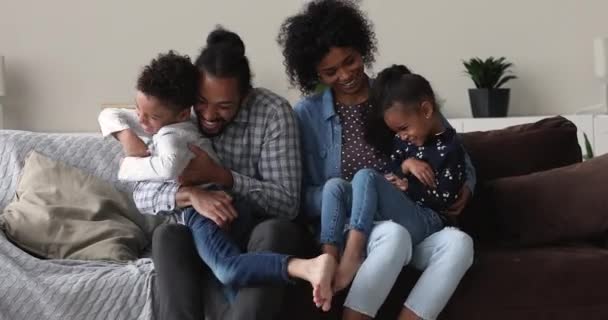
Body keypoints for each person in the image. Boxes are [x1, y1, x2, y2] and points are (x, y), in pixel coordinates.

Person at [113, 27, 331, 320]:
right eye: (201, 102)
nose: (208, 115)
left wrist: (223, 176)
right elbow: (142, 193)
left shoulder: (272, 113)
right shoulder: (178, 111)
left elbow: (288, 203)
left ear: (245, 96)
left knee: (274, 230)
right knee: (167, 235)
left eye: (224, 106)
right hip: (201, 228)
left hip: (257, 228)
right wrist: (193, 194)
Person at [277, 1, 475, 319]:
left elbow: (451, 150)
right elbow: (302, 196)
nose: (345, 75)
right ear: (314, 73)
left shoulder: (394, 95)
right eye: (330, 71)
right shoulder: (306, 115)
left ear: (361, 48)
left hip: (410, 215)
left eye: (350, 61)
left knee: (459, 243)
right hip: (351, 229)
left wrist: (466, 186)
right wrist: (362, 194)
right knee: (389, 232)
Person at [325, 65, 467, 293]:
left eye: (403, 129)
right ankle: (328, 259)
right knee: (334, 187)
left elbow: (445, 201)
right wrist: (405, 165)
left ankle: (353, 254)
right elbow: (393, 166)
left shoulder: (448, 150)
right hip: (401, 211)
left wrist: (408, 187)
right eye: (397, 133)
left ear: (427, 110)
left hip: (429, 219)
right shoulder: (405, 140)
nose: (402, 136)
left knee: (365, 176)